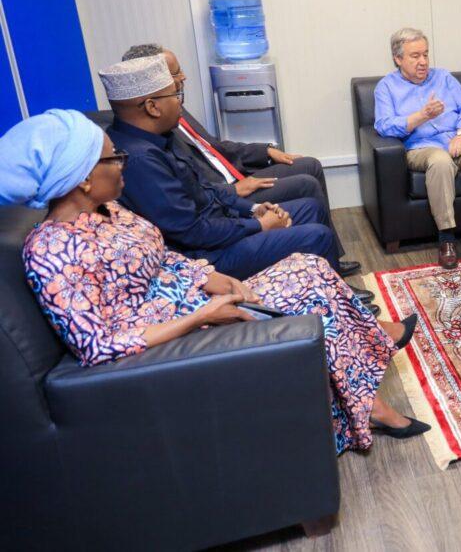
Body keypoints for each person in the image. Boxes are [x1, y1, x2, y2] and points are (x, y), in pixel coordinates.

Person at [0, 109, 429, 451]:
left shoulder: (109, 211)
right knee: (307, 290)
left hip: (196, 299)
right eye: (114, 158)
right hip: (176, 336)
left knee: (308, 266)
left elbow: (163, 257)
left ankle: (369, 361)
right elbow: (97, 345)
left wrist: (210, 276)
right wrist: (202, 316)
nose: (123, 164)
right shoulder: (50, 251)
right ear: (82, 177)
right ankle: (369, 405)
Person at [101, 56, 372, 310]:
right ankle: (339, 310)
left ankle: (334, 291)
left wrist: (253, 210)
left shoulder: (162, 138)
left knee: (310, 207)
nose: (180, 104)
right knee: (317, 235)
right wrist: (259, 225)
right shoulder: (140, 160)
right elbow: (192, 232)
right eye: (176, 95)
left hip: (222, 225)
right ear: (152, 106)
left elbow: (206, 188)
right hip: (208, 257)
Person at [121, 43, 331, 211]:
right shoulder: (157, 126)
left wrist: (265, 151)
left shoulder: (176, 107)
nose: (184, 77)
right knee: (306, 184)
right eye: (175, 74)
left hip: (235, 176)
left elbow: (214, 147)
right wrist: (232, 190)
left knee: (310, 165)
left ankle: (332, 251)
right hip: (224, 195)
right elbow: (190, 189)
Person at [374, 27, 461, 269]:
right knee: (440, 162)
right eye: (415, 56)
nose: (423, 61)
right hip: (422, 146)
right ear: (398, 59)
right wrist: (421, 116)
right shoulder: (386, 87)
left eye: (426, 54)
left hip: (459, 139)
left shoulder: (443, 77)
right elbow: (384, 126)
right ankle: (446, 237)